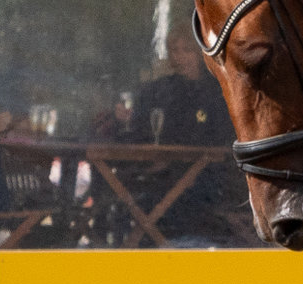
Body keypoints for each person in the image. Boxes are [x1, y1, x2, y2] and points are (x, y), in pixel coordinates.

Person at [95, 30, 249, 246]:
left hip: (205, 175)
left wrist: (174, 160)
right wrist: (123, 122)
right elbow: (141, 132)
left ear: (200, 54)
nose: (179, 57)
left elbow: (222, 139)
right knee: (116, 189)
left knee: (160, 201)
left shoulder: (218, 92)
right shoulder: (158, 90)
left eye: (187, 50)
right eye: (174, 51)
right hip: (160, 172)